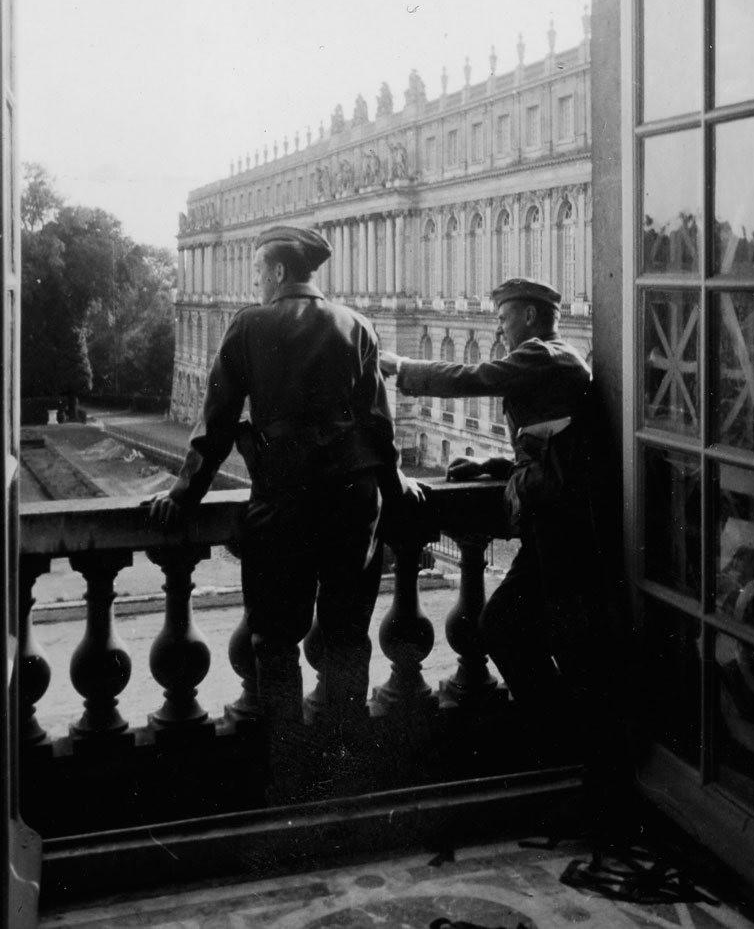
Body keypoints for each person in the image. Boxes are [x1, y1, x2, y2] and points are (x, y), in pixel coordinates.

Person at [150, 224, 422, 780]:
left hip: (286, 500)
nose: (254, 284)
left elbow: (216, 427)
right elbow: (379, 428)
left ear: (276, 273)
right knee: (347, 637)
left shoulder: (249, 325)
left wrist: (183, 495)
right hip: (354, 504)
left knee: (275, 640)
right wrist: (396, 491)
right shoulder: (358, 324)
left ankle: (291, 769)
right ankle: (346, 765)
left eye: (256, 274)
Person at [380, 278, 621, 796]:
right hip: (554, 527)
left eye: (505, 316)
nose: (499, 325)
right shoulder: (555, 359)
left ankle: (568, 751)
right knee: (524, 630)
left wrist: (402, 369)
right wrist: (491, 462)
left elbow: (477, 376)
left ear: (530, 317)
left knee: (523, 630)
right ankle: (566, 750)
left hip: (562, 532)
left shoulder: (545, 355)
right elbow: (547, 442)